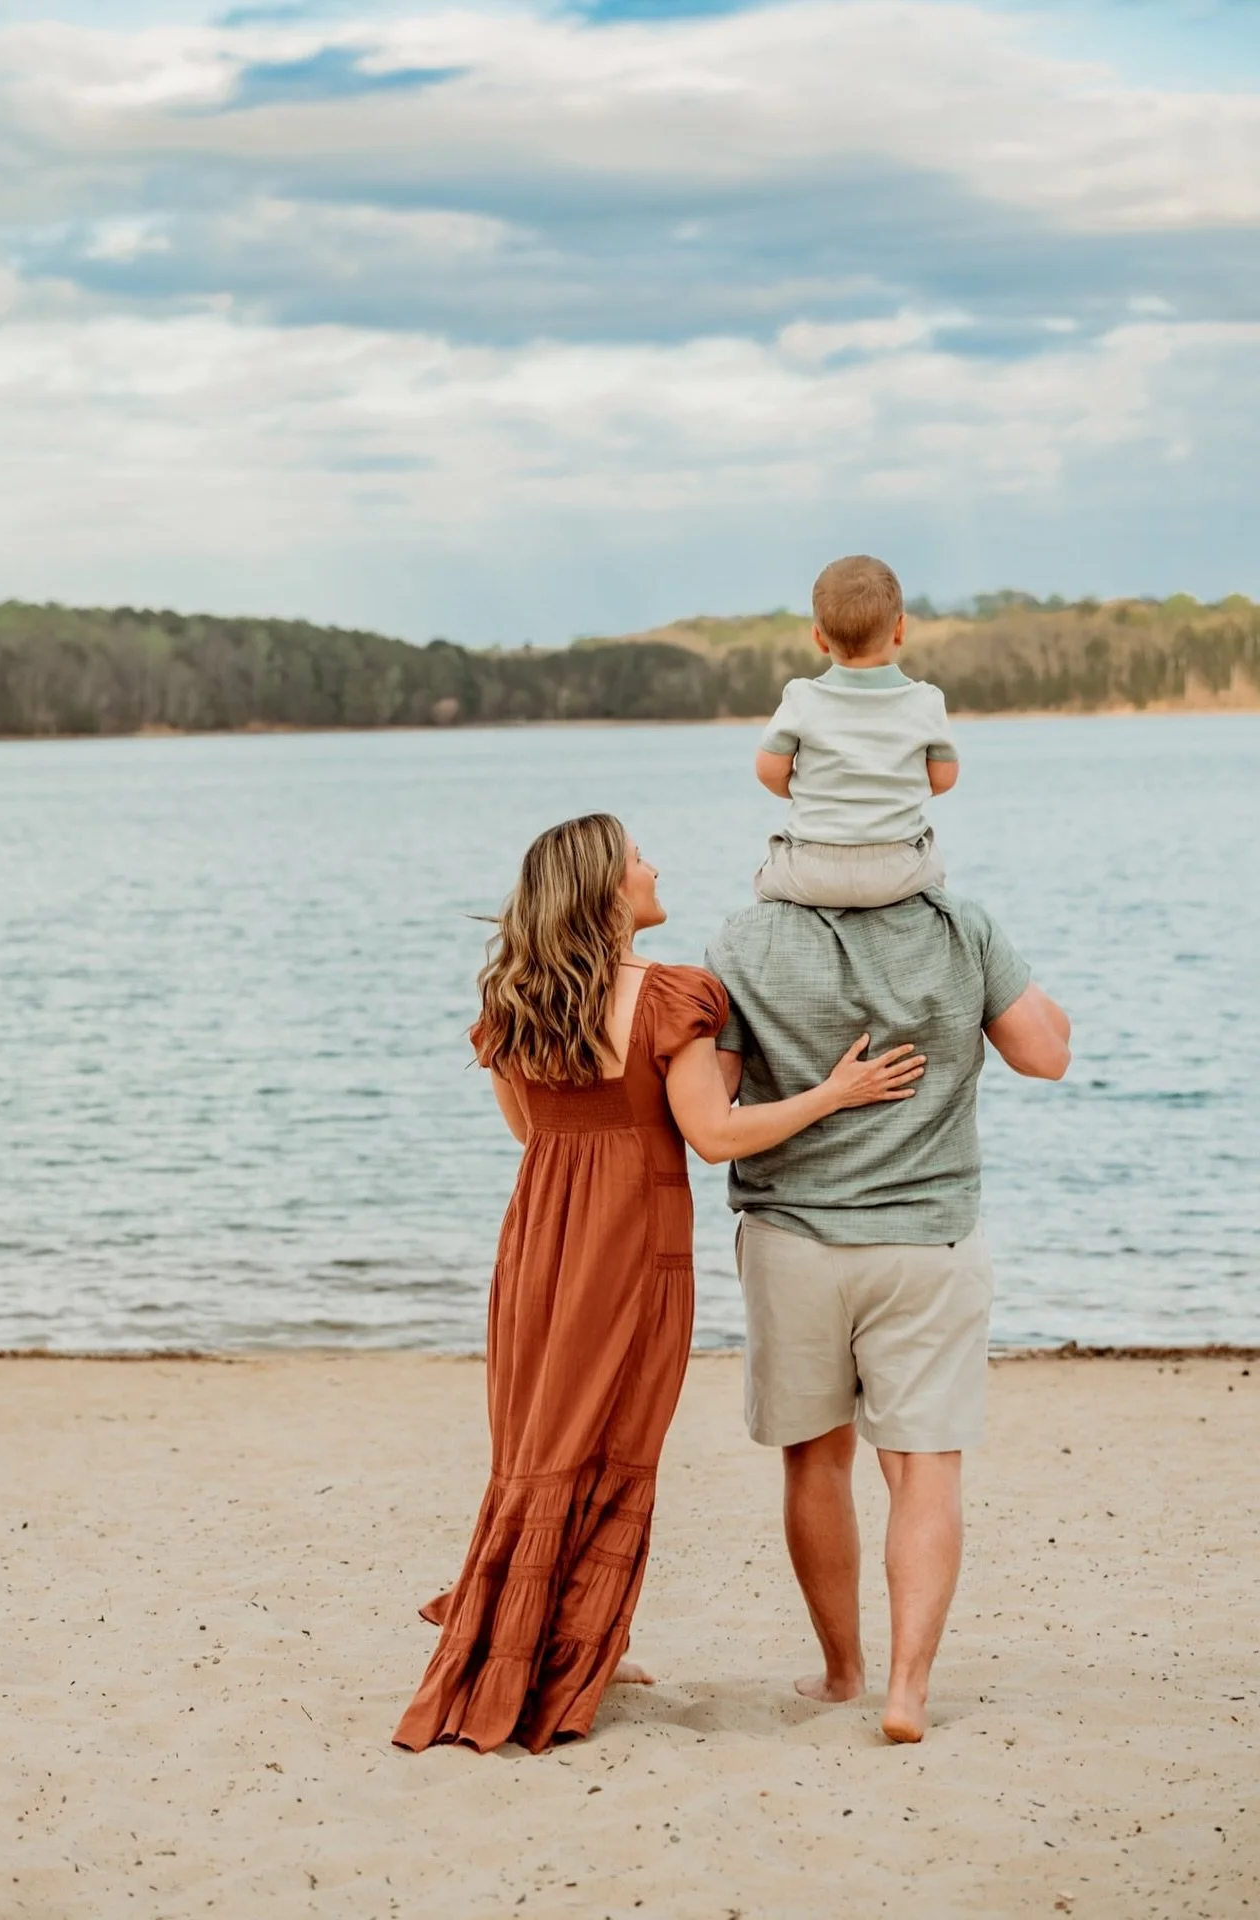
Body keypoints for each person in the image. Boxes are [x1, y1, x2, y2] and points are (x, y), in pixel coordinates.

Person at [394, 813, 926, 1755]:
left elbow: (531, 1133)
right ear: (607, 890)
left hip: (539, 1243)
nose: (655, 868)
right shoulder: (672, 997)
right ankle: (573, 1647)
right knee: (619, 1434)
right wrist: (834, 1096)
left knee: (541, 1432)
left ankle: (576, 1638)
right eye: (640, 859)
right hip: (635, 1240)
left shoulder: (516, 1001)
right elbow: (715, 1137)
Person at [706, 876, 1071, 1744]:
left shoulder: (744, 941)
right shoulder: (962, 928)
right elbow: (1047, 1053)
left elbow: (708, 1108)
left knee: (815, 1460)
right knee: (925, 1467)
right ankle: (907, 1693)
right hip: (928, 1243)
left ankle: (842, 1673)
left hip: (794, 1239)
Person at [753, 554, 958, 910]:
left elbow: (768, 770)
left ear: (818, 638)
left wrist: (812, 790)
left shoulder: (800, 697)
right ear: (900, 629)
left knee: (766, 874)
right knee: (934, 863)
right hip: (898, 872)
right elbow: (944, 778)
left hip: (812, 871)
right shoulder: (926, 701)